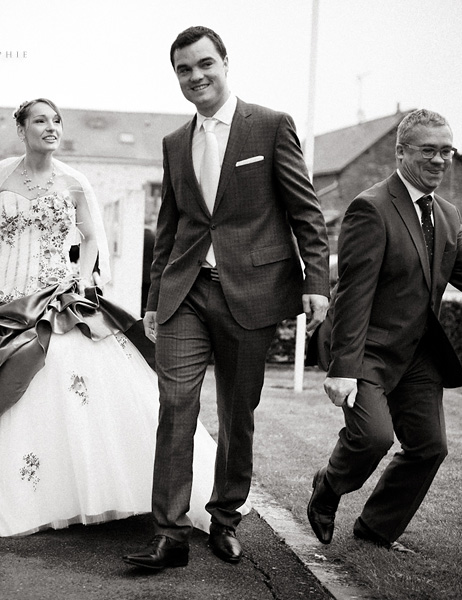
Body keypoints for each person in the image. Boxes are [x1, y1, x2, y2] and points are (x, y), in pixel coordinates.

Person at [0, 98, 221, 537]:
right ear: (21, 129)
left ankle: (106, 488)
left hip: (59, 297)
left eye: (56, 120)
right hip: (5, 297)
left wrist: (80, 278)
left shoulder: (75, 182)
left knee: (77, 377)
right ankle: (1, 490)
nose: (51, 127)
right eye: (40, 120)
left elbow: (93, 239)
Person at [123, 26, 330, 570]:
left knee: (238, 413)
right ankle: (168, 533)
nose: (196, 77)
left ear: (224, 63)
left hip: (252, 292)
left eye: (204, 64)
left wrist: (316, 283)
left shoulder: (269, 126)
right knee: (175, 406)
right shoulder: (174, 143)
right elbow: (168, 226)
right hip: (185, 292)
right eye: (184, 70)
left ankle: (224, 519)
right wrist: (152, 297)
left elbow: (305, 211)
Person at [307, 109, 462, 552]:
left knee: (430, 447)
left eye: (446, 151)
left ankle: (375, 528)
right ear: (401, 152)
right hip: (367, 349)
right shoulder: (370, 208)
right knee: (372, 438)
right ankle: (329, 486)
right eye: (428, 151)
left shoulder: (447, 214)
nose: (440, 160)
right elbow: (353, 295)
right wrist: (342, 369)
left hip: (417, 354)